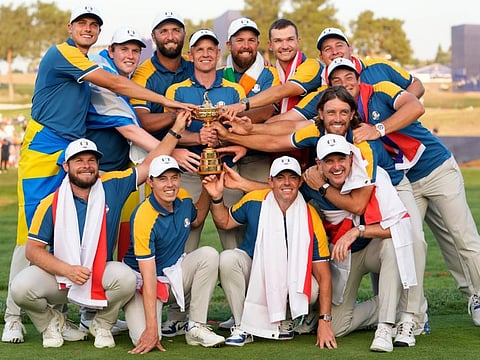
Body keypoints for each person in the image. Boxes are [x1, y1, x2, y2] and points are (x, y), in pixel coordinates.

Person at [2, 4, 192, 344]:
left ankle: (64, 315)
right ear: (71, 26)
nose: (87, 28)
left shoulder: (85, 62)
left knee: (68, 234)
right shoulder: (66, 54)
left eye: (94, 24)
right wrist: (173, 107)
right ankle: (13, 317)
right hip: (44, 150)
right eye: (82, 23)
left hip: (69, 154)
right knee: (29, 236)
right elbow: (118, 87)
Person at [9, 116, 190, 349]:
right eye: (79, 161)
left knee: (126, 278)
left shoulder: (112, 185)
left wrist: (175, 131)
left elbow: (150, 165)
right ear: (66, 166)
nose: (86, 165)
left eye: (91, 160)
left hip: (99, 272)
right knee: (20, 288)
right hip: (61, 277)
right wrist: (68, 270)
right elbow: (33, 251)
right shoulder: (51, 202)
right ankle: (51, 323)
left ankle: (102, 323)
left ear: (97, 164)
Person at [326, 57, 480, 327]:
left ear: (358, 76)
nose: (345, 84)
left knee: (462, 237)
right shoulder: (342, 115)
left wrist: (379, 129)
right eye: (337, 80)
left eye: (349, 78)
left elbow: (416, 105)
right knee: (410, 244)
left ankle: (477, 296)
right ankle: (415, 316)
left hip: (435, 168)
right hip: (403, 182)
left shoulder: (379, 88)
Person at [202, 156, 336, 349]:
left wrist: (325, 321)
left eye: (292, 177)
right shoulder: (254, 200)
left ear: (299, 182)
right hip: (256, 272)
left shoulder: (310, 216)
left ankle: (287, 318)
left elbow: (323, 276)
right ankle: (242, 326)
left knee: (313, 289)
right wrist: (216, 198)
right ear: (270, 182)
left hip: (291, 279)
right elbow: (224, 222)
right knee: (228, 259)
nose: (287, 183)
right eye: (280, 178)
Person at [307, 134, 416, 352]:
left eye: (341, 159)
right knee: (337, 327)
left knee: (394, 246)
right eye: (329, 161)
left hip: (374, 246)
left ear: (350, 159)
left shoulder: (373, 175)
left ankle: (385, 327)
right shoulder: (310, 180)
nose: (336, 166)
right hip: (345, 255)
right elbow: (281, 189)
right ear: (319, 164)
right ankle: (387, 307)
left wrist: (359, 231)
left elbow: (400, 225)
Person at [123, 155, 224, 353]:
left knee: (209, 255)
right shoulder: (144, 216)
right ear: (151, 182)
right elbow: (149, 276)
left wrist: (207, 189)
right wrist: (152, 329)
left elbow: (197, 218)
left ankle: (196, 326)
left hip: (171, 276)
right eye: (162, 179)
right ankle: (120, 320)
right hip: (143, 283)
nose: (170, 184)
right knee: (142, 338)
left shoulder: (183, 198)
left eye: (174, 177)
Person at [165, 28, 246, 252]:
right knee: (184, 239)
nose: (206, 54)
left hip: (227, 170)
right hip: (189, 170)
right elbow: (171, 135)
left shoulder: (234, 90)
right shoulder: (176, 91)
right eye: (199, 49)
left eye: (211, 49)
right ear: (190, 55)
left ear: (219, 53)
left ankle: (239, 287)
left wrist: (232, 142)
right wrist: (197, 138)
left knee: (234, 242)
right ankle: (181, 287)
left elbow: (242, 131)